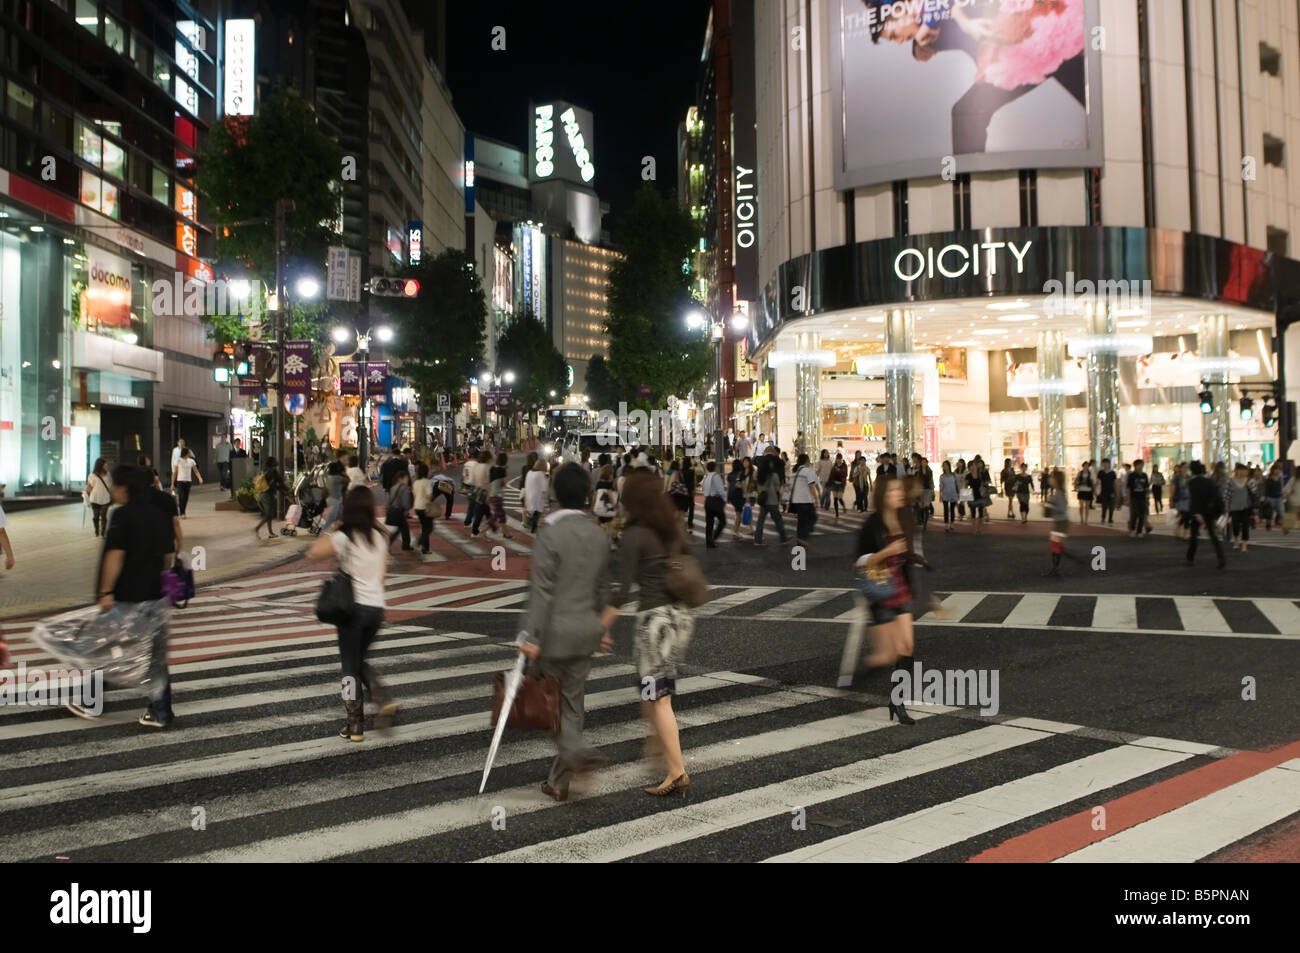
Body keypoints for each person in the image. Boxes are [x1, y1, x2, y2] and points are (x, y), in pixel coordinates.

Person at [518, 463, 616, 801]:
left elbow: (542, 590)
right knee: (573, 706)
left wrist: (531, 637)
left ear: (556, 493)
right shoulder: (600, 535)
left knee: (548, 707)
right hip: (586, 631)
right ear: (588, 495)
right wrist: (601, 627)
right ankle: (559, 782)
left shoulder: (550, 534)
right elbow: (603, 587)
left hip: (552, 635)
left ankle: (576, 754)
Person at [605, 470, 696, 797]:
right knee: (658, 694)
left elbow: (623, 588)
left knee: (659, 700)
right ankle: (660, 747)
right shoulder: (671, 525)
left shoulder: (635, 534)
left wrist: (602, 626)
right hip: (680, 618)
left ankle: (676, 772)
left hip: (655, 622)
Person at [69, 464, 174, 727]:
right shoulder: (158, 514)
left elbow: (115, 557)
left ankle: (91, 702)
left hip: (126, 598)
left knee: (100, 648)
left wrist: (105, 592)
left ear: (123, 488)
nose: (112, 489)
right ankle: (161, 712)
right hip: (156, 597)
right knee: (156, 659)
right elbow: (167, 557)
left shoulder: (122, 516)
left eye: (114, 485)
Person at [306, 485, 397, 742]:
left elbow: (312, 554)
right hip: (376, 609)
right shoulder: (380, 537)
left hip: (351, 609)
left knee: (349, 666)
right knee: (359, 660)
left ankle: (354, 724)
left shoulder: (345, 536)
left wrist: (332, 528)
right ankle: (381, 696)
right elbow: (382, 576)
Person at [854, 475, 919, 724]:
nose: (899, 493)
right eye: (893, 490)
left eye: (899, 490)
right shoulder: (873, 523)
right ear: (883, 495)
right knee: (887, 656)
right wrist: (888, 552)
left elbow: (909, 552)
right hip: (881, 590)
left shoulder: (903, 518)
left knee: (907, 649)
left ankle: (897, 702)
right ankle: (863, 674)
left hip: (901, 588)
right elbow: (859, 561)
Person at [1186, 460, 1226, 569]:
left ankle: (1190, 557)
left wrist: (1196, 513)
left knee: (1194, 536)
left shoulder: (1191, 483)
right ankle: (1220, 557)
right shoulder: (1210, 481)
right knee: (1213, 536)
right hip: (1209, 511)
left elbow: (1194, 500)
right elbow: (1216, 497)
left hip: (1198, 511)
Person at [753, 454, 789, 545]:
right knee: (778, 521)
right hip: (773, 501)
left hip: (763, 501)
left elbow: (756, 484)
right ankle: (783, 538)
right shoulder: (774, 475)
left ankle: (757, 540)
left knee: (760, 522)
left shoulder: (757, 474)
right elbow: (777, 488)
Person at [1043, 469, 1073, 577]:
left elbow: (1061, 508)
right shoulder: (1059, 492)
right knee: (1055, 544)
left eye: (1052, 477)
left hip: (1061, 522)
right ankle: (1055, 568)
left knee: (1054, 545)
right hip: (1061, 522)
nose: (1050, 479)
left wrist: (1049, 506)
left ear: (1056, 480)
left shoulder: (1059, 493)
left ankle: (1055, 569)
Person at [253, 457, 289, 541]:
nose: (277, 461)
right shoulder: (273, 471)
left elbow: (274, 485)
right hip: (267, 496)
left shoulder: (266, 470)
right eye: (275, 460)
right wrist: (288, 490)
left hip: (263, 495)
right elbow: (280, 483)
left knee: (269, 514)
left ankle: (271, 532)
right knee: (269, 514)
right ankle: (257, 528)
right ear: (273, 463)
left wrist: (282, 490)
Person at [789, 452, 820, 547]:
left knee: (801, 521)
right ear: (807, 461)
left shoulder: (794, 472)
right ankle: (802, 538)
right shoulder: (808, 471)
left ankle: (800, 542)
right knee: (813, 518)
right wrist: (816, 499)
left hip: (796, 500)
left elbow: (790, 487)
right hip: (806, 500)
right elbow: (811, 486)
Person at [1226, 464, 1254, 553]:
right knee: (1236, 526)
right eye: (1241, 470)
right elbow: (1227, 495)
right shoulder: (1230, 481)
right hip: (1234, 507)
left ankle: (1244, 545)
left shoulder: (1248, 481)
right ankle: (1236, 541)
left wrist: (1250, 487)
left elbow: (1255, 492)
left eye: (1245, 470)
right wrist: (1227, 507)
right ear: (1236, 471)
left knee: (1245, 525)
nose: (1243, 472)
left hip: (1246, 507)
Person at [484, 451, 512, 538]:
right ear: (505, 461)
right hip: (498, 496)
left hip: (492, 494)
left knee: (501, 515)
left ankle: (506, 533)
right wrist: (505, 479)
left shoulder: (492, 468)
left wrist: (487, 495)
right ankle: (483, 530)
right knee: (497, 515)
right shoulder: (502, 470)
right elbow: (502, 484)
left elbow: (489, 482)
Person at [386, 468, 414, 551]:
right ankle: (405, 545)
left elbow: (390, 499)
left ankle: (404, 545)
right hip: (400, 510)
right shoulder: (405, 488)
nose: (407, 480)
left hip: (393, 509)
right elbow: (405, 501)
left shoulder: (393, 487)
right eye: (406, 478)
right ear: (400, 478)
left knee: (402, 528)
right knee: (403, 528)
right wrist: (406, 509)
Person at [700, 459, 727, 548]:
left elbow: (703, 489)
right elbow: (721, 490)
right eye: (717, 466)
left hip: (707, 501)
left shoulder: (706, 477)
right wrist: (725, 499)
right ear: (715, 468)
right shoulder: (716, 476)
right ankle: (714, 538)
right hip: (715, 501)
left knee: (709, 523)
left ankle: (709, 541)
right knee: (722, 521)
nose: (718, 468)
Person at [171, 446, 203, 518]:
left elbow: (196, 471)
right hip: (180, 481)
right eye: (189, 452)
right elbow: (175, 473)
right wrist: (172, 483)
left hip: (188, 481)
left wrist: (199, 478)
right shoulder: (178, 460)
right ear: (185, 453)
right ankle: (182, 513)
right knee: (181, 496)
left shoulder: (191, 461)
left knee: (186, 497)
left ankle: (183, 511)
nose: (190, 453)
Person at [85, 458, 112, 537]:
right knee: (96, 516)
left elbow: (110, 486)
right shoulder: (92, 475)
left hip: (106, 498)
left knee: (103, 515)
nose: (106, 466)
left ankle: (103, 531)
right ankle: (96, 530)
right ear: (100, 465)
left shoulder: (108, 474)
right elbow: (90, 486)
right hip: (95, 498)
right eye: (105, 464)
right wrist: (86, 491)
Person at [412, 462, 435, 554]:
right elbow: (429, 495)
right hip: (425, 507)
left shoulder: (416, 482)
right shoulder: (427, 482)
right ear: (426, 472)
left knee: (425, 527)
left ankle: (425, 548)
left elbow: (414, 495)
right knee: (429, 528)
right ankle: (419, 541)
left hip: (417, 507)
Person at [966, 458, 993, 535]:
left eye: (973, 465)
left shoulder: (981, 474)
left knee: (981, 513)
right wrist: (965, 498)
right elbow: (965, 486)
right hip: (972, 496)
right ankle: (974, 528)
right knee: (973, 513)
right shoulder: (968, 476)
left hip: (980, 495)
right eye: (970, 466)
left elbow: (986, 482)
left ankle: (979, 528)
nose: (972, 467)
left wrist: (986, 485)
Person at [1126, 458, 1151, 537]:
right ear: (1135, 466)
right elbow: (1129, 488)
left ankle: (1139, 531)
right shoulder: (1132, 476)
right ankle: (1133, 529)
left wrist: (1147, 497)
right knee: (1134, 514)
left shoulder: (1144, 475)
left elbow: (1147, 487)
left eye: (1142, 465)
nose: (1141, 466)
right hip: (1134, 497)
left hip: (1142, 497)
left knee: (1142, 514)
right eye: (1139, 465)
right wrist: (1128, 499)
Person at [524, 459, 549, 533]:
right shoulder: (541, 474)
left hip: (529, 495)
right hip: (538, 497)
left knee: (534, 512)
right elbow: (544, 487)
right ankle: (535, 527)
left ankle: (532, 525)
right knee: (539, 512)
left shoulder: (529, 472)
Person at [1263, 462, 1287, 533]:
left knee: (1281, 512)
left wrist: (1283, 495)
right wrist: (1266, 497)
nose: (1277, 471)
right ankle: (1268, 524)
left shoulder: (1280, 478)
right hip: (1271, 497)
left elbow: (1282, 487)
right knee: (1269, 512)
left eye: (1279, 469)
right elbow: (1266, 489)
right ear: (1273, 470)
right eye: (1276, 469)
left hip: (1279, 497)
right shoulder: (1269, 479)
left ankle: (1284, 527)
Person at [939, 459, 959, 532]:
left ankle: (952, 523)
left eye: (946, 465)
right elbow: (941, 486)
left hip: (953, 493)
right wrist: (940, 495)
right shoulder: (942, 476)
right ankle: (946, 524)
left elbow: (956, 484)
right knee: (946, 510)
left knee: (952, 509)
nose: (945, 467)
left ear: (949, 466)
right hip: (945, 494)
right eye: (944, 465)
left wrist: (958, 493)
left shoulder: (953, 475)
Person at [1096, 458, 1118, 525]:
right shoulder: (1101, 473)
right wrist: (1096, 490)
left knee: (1111, 506)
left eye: (1106, 463)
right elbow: (1098, 482)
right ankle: (1103, 517)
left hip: (1111, 491)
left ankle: (1110, 518)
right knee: (1104, 505)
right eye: (1104, 464)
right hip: (1104, 491)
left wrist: (1116, 491)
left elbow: (1115, 483)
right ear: (1102, 464)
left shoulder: (1112, 473)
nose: (1105, 465)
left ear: (1109, 464)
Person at [828, 452, 849, 520]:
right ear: (836, 459)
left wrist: (839, 470)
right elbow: (831, 475)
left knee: (840, 497)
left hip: (841, 484)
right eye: (837, 459)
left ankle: (843, 506)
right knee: (835, 499)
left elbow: (845, 474)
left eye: (840, 459)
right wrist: (829, 482)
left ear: (841, 459)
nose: (839, 460)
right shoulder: (834, 466)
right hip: (834, 483)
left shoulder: (844, 466)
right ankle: (837, 513)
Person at [1075, 460, 1094, 525]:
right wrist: (1075, 487)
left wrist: (1093, 490)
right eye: (1085, 466)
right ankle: (1081, 519)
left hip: (1088, 490)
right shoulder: (1080, 473)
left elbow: (1092, 482)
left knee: (1087, 506)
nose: (1086, 467)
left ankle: (1086, 520)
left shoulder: (1090, 473)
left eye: (1087, 466)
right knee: (1081, 505)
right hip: (1081, 490)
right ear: (1083, 466)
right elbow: (1076, 480)